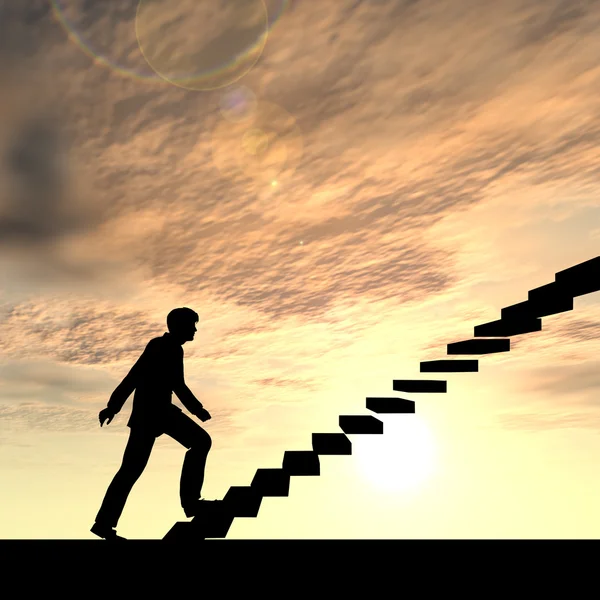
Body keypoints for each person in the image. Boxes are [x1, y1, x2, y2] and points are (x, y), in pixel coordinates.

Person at [91, 307, 213, 540]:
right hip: (153, 414)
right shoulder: (161, 346)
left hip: (157, 413)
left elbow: (173, 383)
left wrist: (113, 407)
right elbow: (136, 377)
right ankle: (191, 502)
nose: (195, 330)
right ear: (179, 326)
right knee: (199, 442)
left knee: (131, 470)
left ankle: (104, 523)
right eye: (191, 325)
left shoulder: (171, 348)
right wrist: (113, 406)